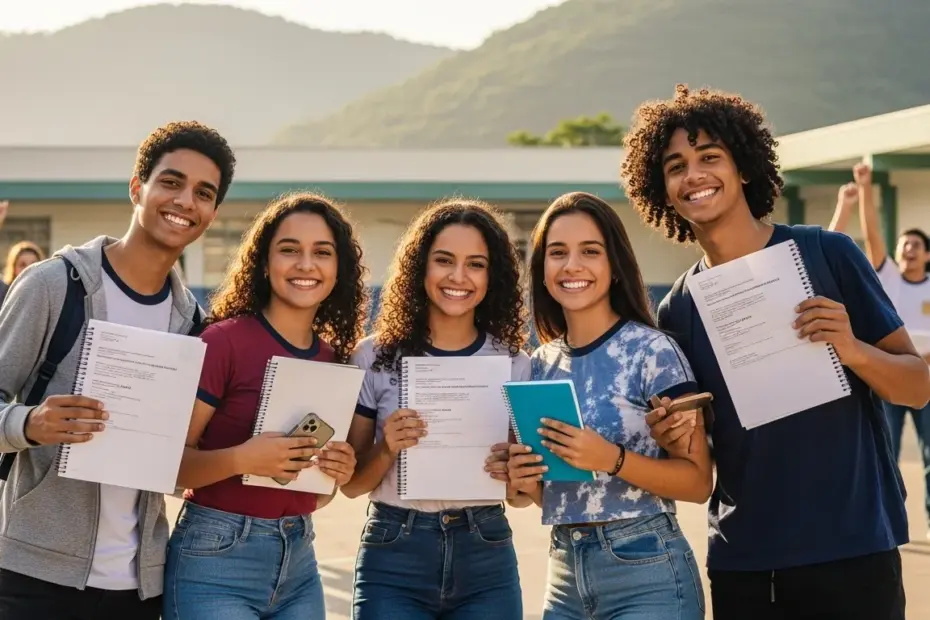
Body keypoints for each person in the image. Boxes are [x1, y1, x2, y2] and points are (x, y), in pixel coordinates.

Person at [620, 84, 930, 620]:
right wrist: (675, 431)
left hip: (853, 547)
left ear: (743, 169)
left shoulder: (825, 254)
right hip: (746, 560)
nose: (694, 174)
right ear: (662, 189)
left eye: (710, 157)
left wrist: (851, 349)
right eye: (676, 166)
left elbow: (918, 386)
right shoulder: (677, 311)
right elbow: (705, 456)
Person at [0, 121, 236, 619]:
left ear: (212, 214)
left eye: (203, 193)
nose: (184, 201)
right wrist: (30, 424)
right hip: (33, 575)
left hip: (141, 586)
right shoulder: (51, 286)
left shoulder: (194, 325)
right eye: (170, 182)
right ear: (137, 188)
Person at [506, 191, 710, 620]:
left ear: (614, 266)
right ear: (542, 269)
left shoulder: (653, 352)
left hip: (646, 569)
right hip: (564, 574)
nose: (572, 265)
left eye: (590, 252)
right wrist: (521, 481)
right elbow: (551, 496)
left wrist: (610, 458)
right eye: (557, 253)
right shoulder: (538, 365)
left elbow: (697, 483)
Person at [163, 192, 366, 619]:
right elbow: (166, 463)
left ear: (338, 269)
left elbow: (313, 497)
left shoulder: (334, 360)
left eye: (322, 253)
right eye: (289, 250)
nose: (305, 264)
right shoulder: (222, 343)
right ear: (264, 261)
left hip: (299, 562)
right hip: (214, 559)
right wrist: (242, 458)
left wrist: (334, 473)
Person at [342, 199, 532, 620]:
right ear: (419, 268)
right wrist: (388, 446)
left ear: (493, 275)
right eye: (444, 260)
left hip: (486, 551)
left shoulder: (516, 364)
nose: (458, 277)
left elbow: (521, 498)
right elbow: (352, 486)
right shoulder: (373, 356)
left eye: (476, 264)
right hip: (393, 553)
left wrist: (514, 473)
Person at [829, 162, 930, 538]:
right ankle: (889, 520)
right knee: (884, 455)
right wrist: (864, 190)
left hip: (924, 379)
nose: (908, 249)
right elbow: (872, 233)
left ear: (926, 255)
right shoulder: (884, 273)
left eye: (916, 245)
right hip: (887, 374)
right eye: (904, 244)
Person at [1, 239, 45, 307]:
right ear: (14, 268)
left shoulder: (47, 296)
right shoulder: (3, 295)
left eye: (34, 264)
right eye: (22, 265)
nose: (28, 268)